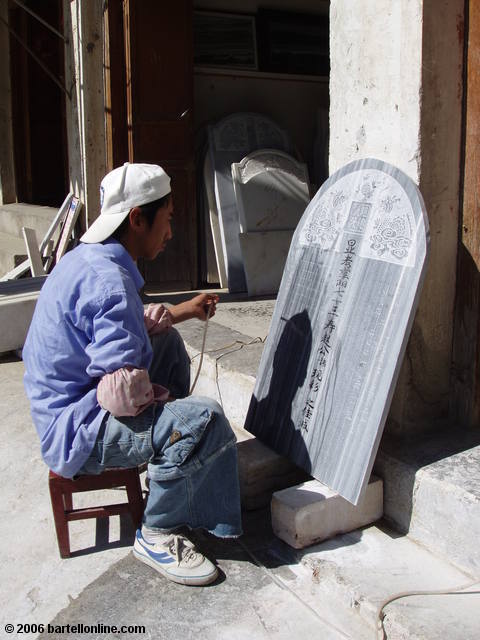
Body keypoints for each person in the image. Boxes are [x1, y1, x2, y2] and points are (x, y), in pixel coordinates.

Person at [23, 162, 242, 586]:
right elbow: (119, 395)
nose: (171, 232)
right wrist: (167, 406)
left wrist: (182, 312)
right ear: (138, 218)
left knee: (168, 344)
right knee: (206, 420)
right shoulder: (108, 280)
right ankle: (158, 532)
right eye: (169, 219)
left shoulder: (87, 260)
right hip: (78, 432)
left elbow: (127, 324)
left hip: (64, 410)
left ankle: (169, 452)